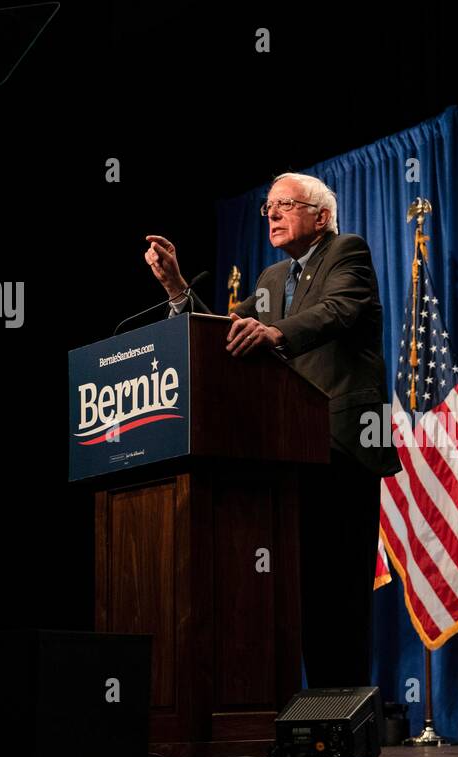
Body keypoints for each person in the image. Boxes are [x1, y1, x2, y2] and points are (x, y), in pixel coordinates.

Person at [143, 172, 399, 688]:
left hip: (343, 445)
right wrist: (176, 289)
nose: (273, 215)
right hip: (286, 455)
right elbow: (220, 336)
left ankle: (343, 712)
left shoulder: (347, 253)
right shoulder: (270, 280)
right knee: (295, 590)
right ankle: (297, 714)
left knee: (339, 587)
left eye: (285, 205)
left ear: (321, 216)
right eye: (268, 208)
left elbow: (336, 311)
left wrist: (275, 331)